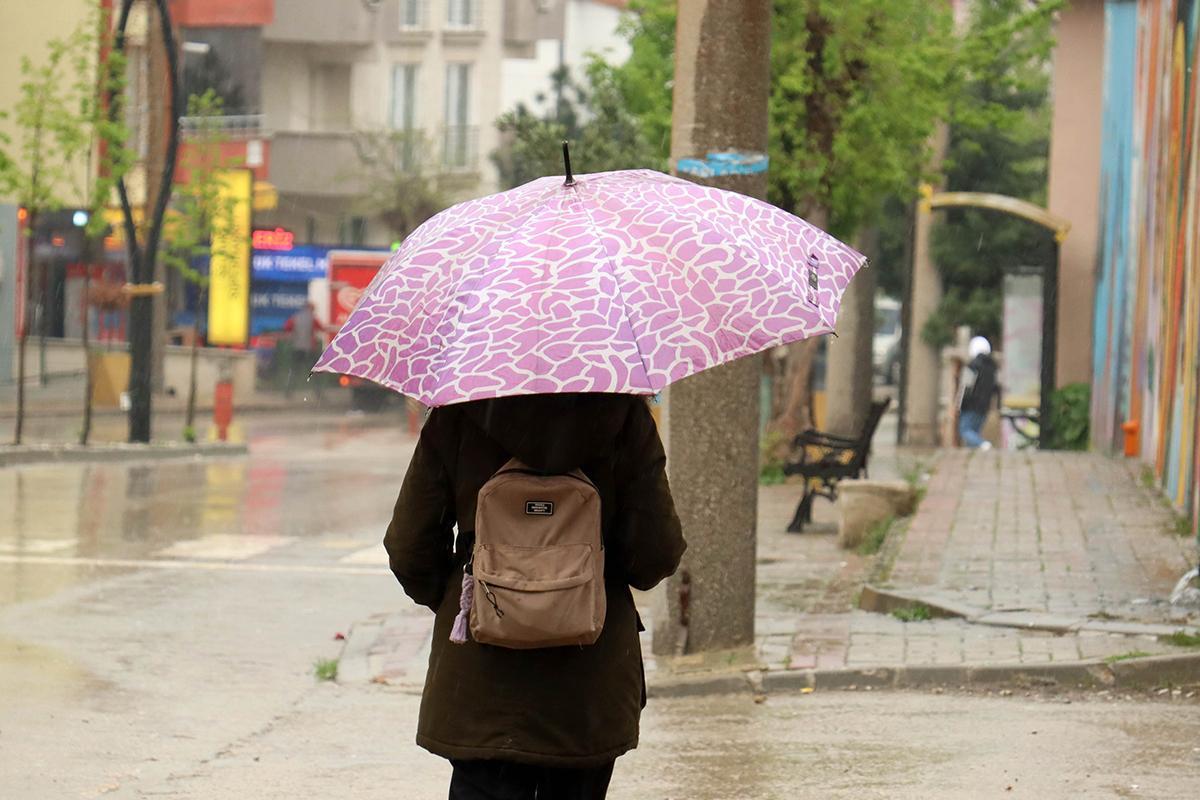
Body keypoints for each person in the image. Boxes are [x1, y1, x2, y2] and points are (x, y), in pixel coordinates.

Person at [385, 393, 685, 800]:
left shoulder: (459, 414)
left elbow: (409, 548)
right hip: (588, 684)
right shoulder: (623, 416)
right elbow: (655, 553)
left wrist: (470, 595)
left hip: (481, 680)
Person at [958, 336, 1000, 450]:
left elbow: (965, 387)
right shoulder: (993, 368)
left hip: (970, 405)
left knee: (964, 430)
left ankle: (983, 444)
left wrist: (960, 404)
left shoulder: (972, 366)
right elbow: (996, 388)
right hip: (984, 407)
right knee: (974, 432)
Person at [283, 301, 322, 399]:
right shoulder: (313, 319)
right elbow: (320, 328)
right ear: (311, 309)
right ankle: (318, 394)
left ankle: (289, 393)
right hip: (310, 349)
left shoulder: (295, 318)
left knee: (294, 372)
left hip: (297, 348)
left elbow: (286, 327)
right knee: (313, 373)